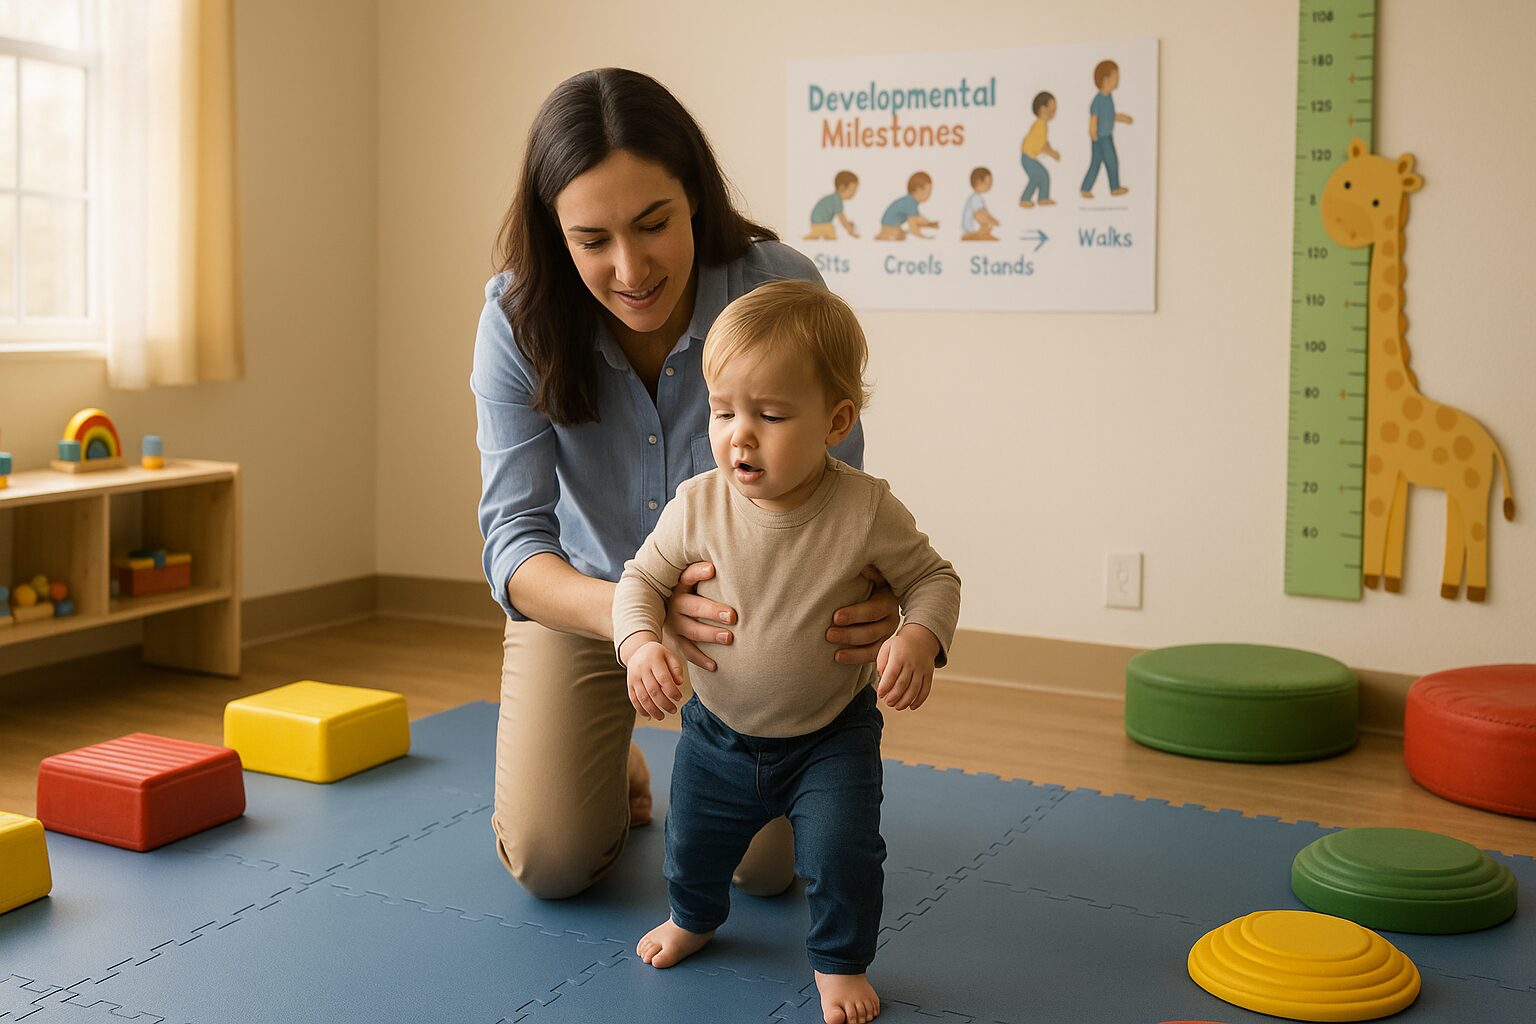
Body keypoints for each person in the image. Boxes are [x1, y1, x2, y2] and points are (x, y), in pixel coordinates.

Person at [472, 67, 902, 902]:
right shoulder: (517, 318)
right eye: (592, 240)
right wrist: (638, 617)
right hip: (591, 607)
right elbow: (514, 545)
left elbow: (841, 495)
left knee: (770, 871)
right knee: (551, 862)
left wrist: (878, 595)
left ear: (693, 198)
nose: (630, 268)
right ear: (556, 233)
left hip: (758, 617)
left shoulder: (777, 287)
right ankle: (617, 755)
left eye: (653, 223)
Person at [613, 281, 961, 1024]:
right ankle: (695, 918)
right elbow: (640, 578)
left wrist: (919, 635)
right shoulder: (697, 503)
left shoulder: (865, 507)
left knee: (844, 856)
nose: (740, 434)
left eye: (769, 416)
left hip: (830, 736)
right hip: (716, 731)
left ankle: (839, 960)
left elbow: (933, 577)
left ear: (836, 421)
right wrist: (641, 641)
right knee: (692, 843)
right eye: (723, 411)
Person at [1081, 60, 1133, 199]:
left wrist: (1122, 118)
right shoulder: (1097, 100)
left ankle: (1086, 188)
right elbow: (1093, 120)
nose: (1118, 80)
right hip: (1100, 138)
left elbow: (1110, 115)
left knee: (1097, 163)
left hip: (1106, 136)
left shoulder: (1109, 97)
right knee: (1111, 161)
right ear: (1106, 80)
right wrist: (1093, 135)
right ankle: (1114, 188)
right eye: (1116, 77)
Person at [1019, 91, 1061, 208]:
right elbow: (1042, 146)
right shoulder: (1040, 125)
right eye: (1052, 110)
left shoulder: (1042, 124)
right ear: (1043, 110)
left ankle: (1043, 198)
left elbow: (1044, 142)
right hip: (1028, 157)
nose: (1054, 113)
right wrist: (1052, 154)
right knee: (1037, 176)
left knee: (1043, 175)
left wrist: (1051, 149)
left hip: (1029, 156)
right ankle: (1025, 199)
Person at [874, 172, 939, 240]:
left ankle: (884, 235)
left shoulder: (910, 201)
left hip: (889, 225)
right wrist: (923, 237)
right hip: (889, 227)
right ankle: (883, 236)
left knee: (902, 234)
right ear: (918, 190)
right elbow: (912, 226)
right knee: (901, 235)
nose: (930, 194)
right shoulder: (910, 203)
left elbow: (918, 218)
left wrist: (929, 223)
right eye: (928, 191)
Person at [805, 171, 860, 240]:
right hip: (821, 223)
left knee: (827, 234)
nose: (854, 193)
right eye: (852, 190)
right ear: (841, 187)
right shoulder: (836, 200)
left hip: (817, 222)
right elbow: (842, 218)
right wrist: (849, 228)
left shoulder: (833, 198)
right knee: (831, 234)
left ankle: (815, 234)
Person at [960, 167, 1001, 241]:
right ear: (978, 182)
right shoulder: (976, 198)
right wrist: (992, 221)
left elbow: (985, 213)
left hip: (974, 231)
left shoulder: (977, 198)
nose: (990, 185)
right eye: (988, 183)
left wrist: (993, 220)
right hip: (972, 232)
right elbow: (980, 215)